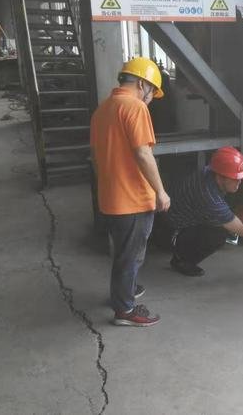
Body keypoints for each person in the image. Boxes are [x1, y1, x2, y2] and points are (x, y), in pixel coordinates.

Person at [90, 57, 170, 327]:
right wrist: (160, 191)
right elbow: (143, 154)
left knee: (124, 253)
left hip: (111, 198)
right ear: (142, 84)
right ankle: (125, 310)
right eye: (152, 92)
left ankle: (125, 291)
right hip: (132, 200)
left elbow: (97, 157)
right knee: (131, 256)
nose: (151, 99)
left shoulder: (103, 110)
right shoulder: (135, 107)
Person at [154, 147, 243, 277]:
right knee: (219, 234)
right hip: (171, 231)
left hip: (179, 214)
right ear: (220, 177)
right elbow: (242, 230)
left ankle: (227, 223)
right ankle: (181, 260)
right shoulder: (210, 198)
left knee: (232, 210)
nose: (239, 181)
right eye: (235, 178)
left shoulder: (211, 171)